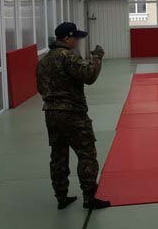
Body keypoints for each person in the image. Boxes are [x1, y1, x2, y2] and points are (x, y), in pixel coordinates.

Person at [36, 22, 111, 210]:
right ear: (67, 38)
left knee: (58, 156)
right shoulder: (67, 56)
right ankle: (89, 197)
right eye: (76, 37)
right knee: (87, 154)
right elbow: (89, 76)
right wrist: (97, 57)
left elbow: (41, 88)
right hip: (73, 114)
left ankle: (61, 197)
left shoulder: (44, 61)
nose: (78, 41)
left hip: (51, 114)